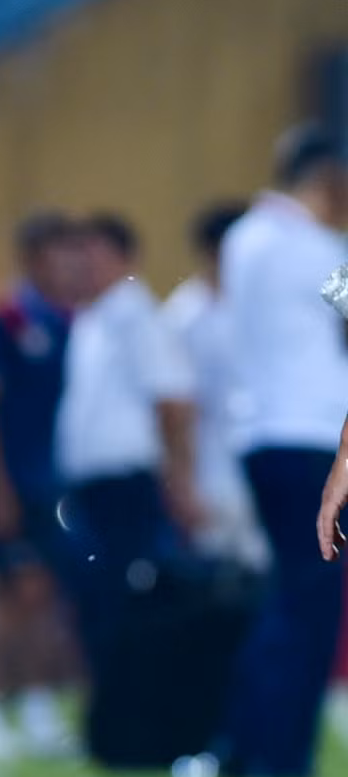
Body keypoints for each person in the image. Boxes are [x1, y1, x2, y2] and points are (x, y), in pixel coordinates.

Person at [218, 125, 348, 777]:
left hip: (259, 434)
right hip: (313, 437)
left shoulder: (244, 239)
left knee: (287, 594)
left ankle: (244, 742)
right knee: (312, 599)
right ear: (326, 181)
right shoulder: (315, 249)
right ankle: (281, 752)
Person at [53, 213, 199, 695]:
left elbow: (173, 402)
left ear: (124, 259)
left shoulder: (135, 315)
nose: (83, 268)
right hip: (93, 486)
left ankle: (131, 702)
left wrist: (179, 480)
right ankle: (110, 705)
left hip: (127, 483)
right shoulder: (91, 317)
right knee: (95, 597)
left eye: (94, 256)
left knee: (124, 596)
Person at [0, 213, 84, 757]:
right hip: (15, 483)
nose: (69, 267)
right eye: (58, 256)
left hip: (58, 485)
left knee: (44, 597)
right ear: (34, 259)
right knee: (10, 595)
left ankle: (35, 704)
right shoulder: (6, 322)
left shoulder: (71, 322)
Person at [163, 203, 266, 571]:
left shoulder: (262, 303)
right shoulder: (182, 315)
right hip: (210, 468)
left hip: (263, 457)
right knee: (218, 575)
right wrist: (181, 482)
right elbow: (174, 407)